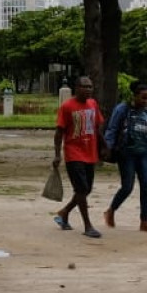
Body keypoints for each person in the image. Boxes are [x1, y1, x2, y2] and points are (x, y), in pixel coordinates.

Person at [102, 81, 147, 234]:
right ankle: (111, 210)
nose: (146, 102)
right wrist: (107, 147)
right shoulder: (122, 109)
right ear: (134, 96)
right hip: (126, 153)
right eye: (143, 98)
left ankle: (144, 221)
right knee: (127, 187)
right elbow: (112, 129)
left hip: (144, 154)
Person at [53, 75, 103, 239]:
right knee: (81, 189)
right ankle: (87, 225)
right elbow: (59, 132)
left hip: (90, 152)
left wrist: (104, 147)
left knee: (86, 189)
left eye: (90, 87)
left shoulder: (93, 104)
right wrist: (57, 154)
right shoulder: (67, 107)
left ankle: (64, 212)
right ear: (77, 88)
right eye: (85, 86)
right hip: (73, 153)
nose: (88, 90)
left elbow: (96, 127)